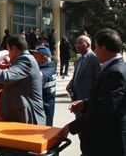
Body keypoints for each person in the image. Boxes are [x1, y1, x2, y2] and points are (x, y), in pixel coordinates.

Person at [59, 28, 126, 156]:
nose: (95, 51)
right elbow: (108, 98)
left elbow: (104, 109)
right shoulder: (117, 68)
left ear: (104, 48)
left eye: (96, 47)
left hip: (108, 142)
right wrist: (85, 103)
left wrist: (71, 127)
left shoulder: (115, 72)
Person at [0, 36, 46, 125]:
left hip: (30, 118)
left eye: (8, 50)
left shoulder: (26, 60)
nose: (8, 54)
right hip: (23, 117)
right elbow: (9, 83)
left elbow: (7, 77)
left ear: (14, 49)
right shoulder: (22, 61)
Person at [66, 35, 101, 102]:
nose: (77, 46)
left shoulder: (95, 59)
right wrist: (71, 84)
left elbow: (98, 81)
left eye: (80, 43)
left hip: (88, 100)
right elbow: (77, 76)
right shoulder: (79, 59)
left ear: (88, 45)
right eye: (76, 44)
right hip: (77, 98)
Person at [31, 46, 57, 126]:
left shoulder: (43, 73)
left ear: (44, 58)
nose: (33, 59)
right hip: (48, 107)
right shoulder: (51, 69)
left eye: (35, 57)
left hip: (43, 110)